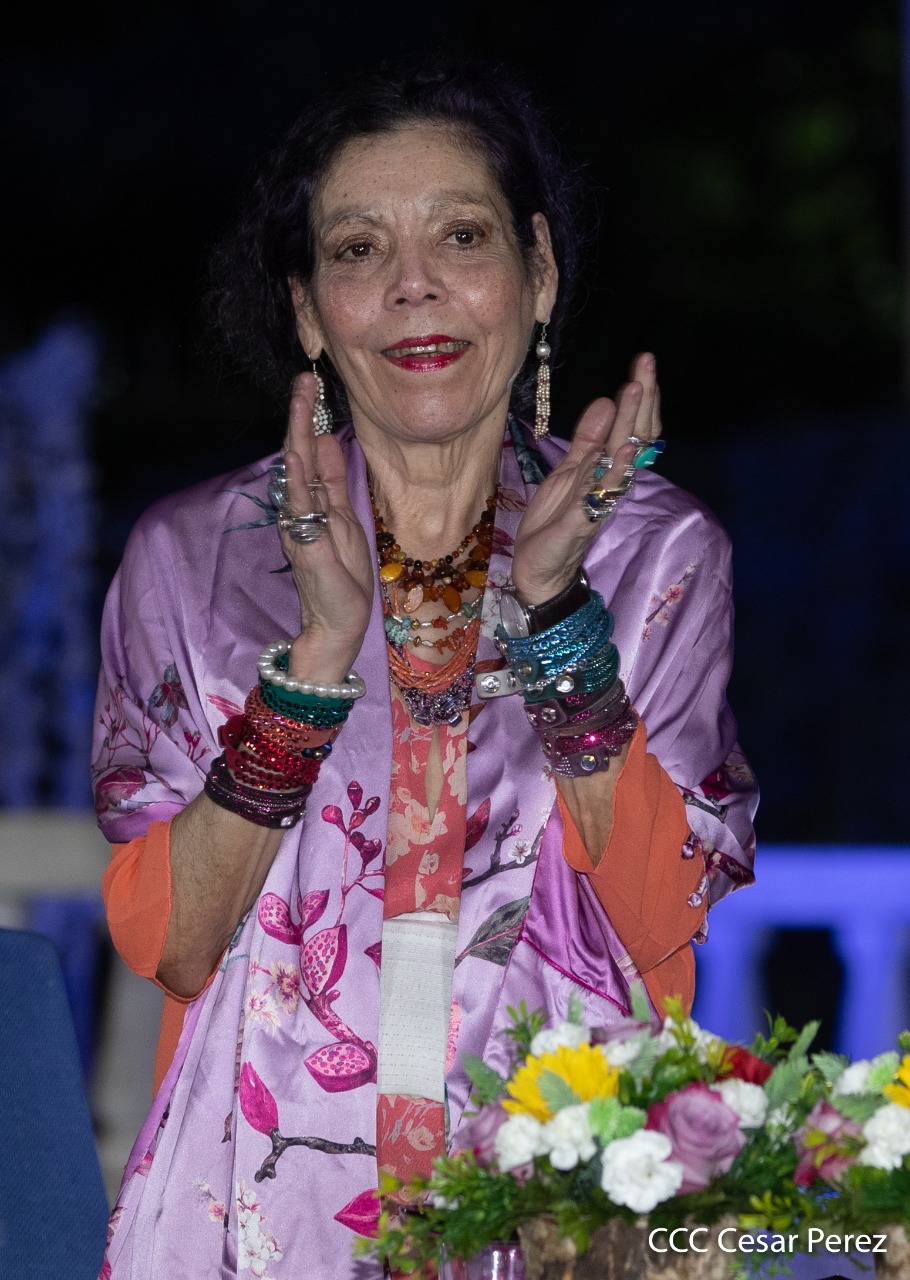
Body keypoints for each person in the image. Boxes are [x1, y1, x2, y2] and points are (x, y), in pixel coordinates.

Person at [92, 59, 757, 1279]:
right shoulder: (193, 560)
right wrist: (313, 664)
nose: (413, 285)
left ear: (537, 270)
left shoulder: (654, 553)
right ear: (308, 312)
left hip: (561, 1202)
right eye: (358, 249)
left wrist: (555, 617)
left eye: (460, 235)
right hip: (258, 1210)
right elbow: (175, 943)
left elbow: (661, 919)